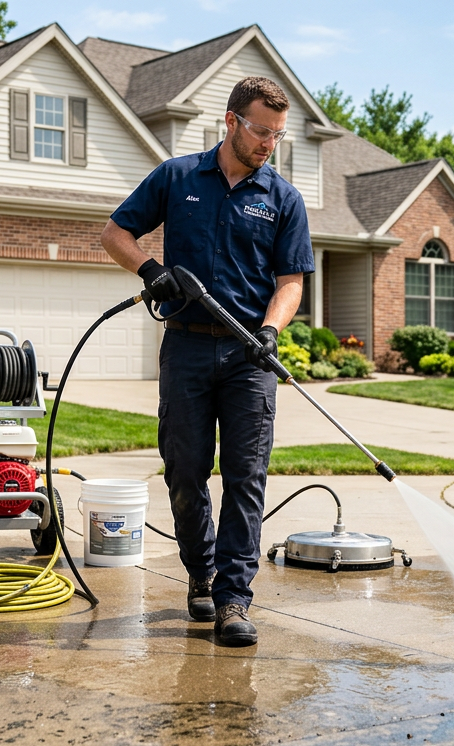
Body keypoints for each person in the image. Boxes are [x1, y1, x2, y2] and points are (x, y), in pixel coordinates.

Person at [101, 76, 314, 646]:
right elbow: (115, 232)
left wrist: (270, 330)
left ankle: (234, 600)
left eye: (278, 134)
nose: (269, 143)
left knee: (246, 477)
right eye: (260, 130)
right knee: (186, 471)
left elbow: (290, 282)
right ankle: (202, 573)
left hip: (249, 355)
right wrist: (150, 270)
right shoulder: (176, 178)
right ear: (230, 121)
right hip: (187, 346)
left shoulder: (284, 199)